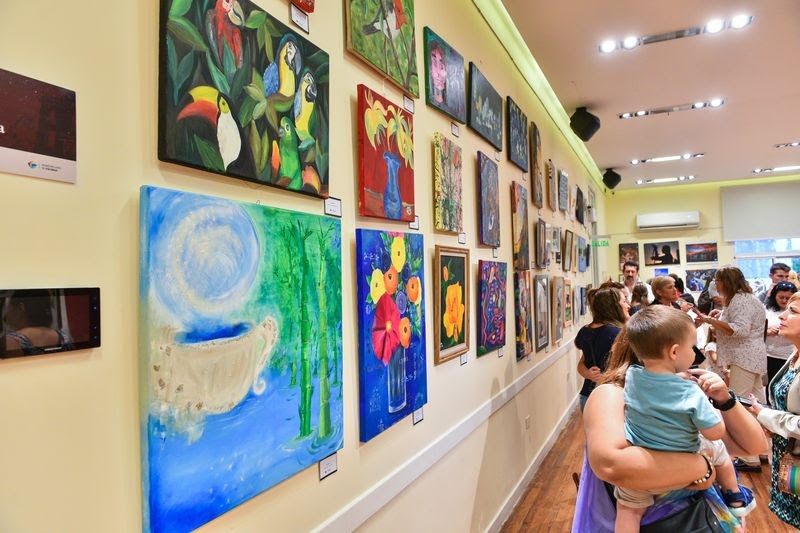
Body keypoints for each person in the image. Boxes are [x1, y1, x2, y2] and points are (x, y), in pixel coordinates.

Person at [574, 315, 769, 532]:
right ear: (673, 352)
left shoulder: (683, 391)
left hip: (697, 515)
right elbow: (612, 464)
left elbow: (754, 446)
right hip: (656, 520)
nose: (694, 355)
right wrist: (704, 467)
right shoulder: (613, 393)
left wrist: (726, 400)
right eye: (690, 347)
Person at [694, 266, 768, 472]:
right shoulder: (742, 299)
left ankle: (749, 457)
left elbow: (740, 330)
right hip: (749, 356)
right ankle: (761, 450)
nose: (715, 284)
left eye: (717, 280)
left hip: (745, 356)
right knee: (755, 402)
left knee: (740, 404)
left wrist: (709, 320)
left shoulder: (741, 300)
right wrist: (720, 317)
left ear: (726, 281)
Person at [745, 291, 800, 529]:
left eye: (793, 311)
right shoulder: (795, 354)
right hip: (790, 457)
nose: (783, 316)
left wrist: (766, 416)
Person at [576, 288, 628, 411]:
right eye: (624, 301)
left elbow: (581, 363)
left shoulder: (585, 331)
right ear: (614, 306)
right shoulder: (619, 333)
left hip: (588, 394)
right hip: (611, 397)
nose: (628, 305)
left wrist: (588, 374)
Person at [1, 290, 72, 357]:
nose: (6, 315)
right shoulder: (64, 338)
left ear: (21, 308)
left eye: (10, 307)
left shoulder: (9, 342)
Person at [765, 281, 798, 387]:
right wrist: (766, 332)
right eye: (781, 297)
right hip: (769, 355)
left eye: (793, 311)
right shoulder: (767, 310)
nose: (784, 300)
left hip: (786, 355)